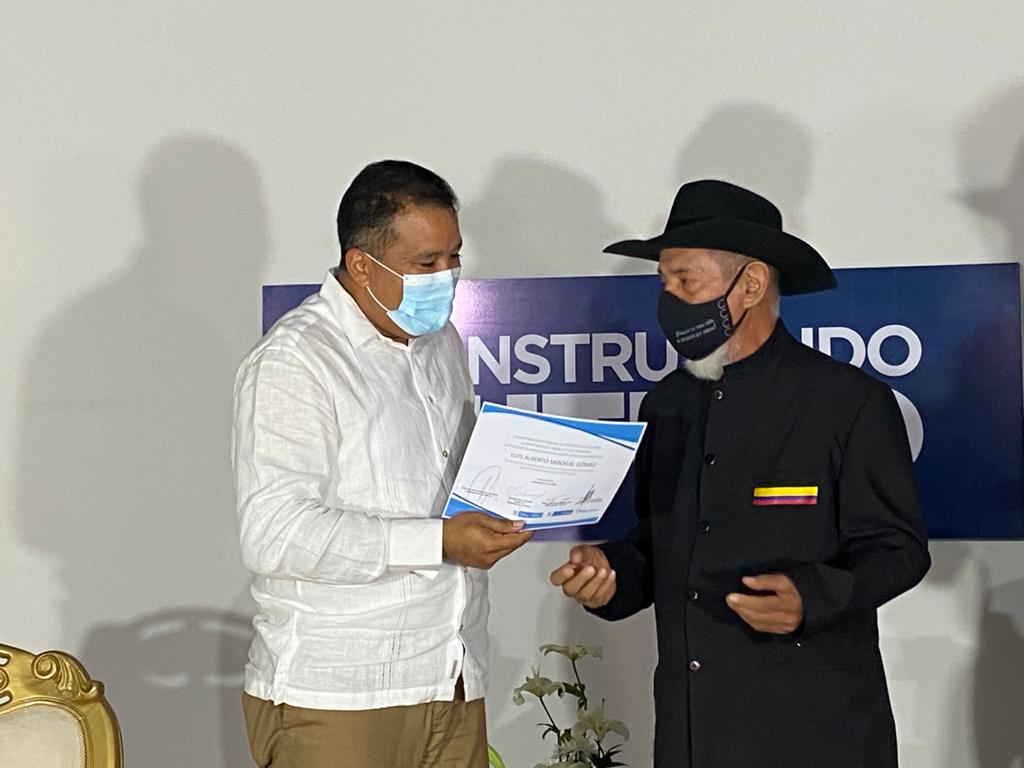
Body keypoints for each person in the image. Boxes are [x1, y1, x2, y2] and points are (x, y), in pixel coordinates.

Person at [549, 179, 930, 767]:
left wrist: (813, 597)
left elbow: (898, 549)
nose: (669, 298)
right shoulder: (665, 404)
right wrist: (610, 574)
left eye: (686, 281)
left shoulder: (848, 403)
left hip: (816, 734)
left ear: (750, 284)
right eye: (664, 283)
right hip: (692, 733)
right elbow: (658, 543)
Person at [233, 160, 532, 767]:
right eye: (426, 263)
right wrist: (438, 540)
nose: (446, 277)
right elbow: (274, 533)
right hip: (338, 693)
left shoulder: (441, 343)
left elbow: (450, 484)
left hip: (451, 676)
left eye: (454, 256)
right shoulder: (297, 359)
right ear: (362, 265)